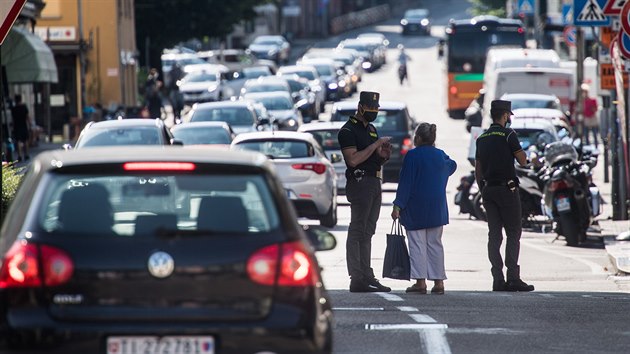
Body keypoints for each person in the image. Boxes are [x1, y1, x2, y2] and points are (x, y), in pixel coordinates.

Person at [475, 100, 534, 292]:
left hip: (488, 190)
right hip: (507, 190)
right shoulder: (509, 135)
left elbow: (478, 170)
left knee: (494, 235)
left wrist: (482, 189)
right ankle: (513, 278)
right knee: (513, 232)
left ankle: (497, 279)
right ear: (506, 115)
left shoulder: (482, 138)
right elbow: (523, 161)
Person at [391, 122, 457, 295]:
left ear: (418, 138)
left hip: (415, 207)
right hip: (437, 207)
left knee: (417, 244)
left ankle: (420, 282)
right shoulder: (440, 156)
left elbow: (406, 183)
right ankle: (439, 282)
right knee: (435, 244)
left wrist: (398, 205)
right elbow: (453, 165)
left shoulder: (412, 156)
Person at [338, 91, 392, 293]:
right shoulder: (348, 130)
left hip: (374, 182)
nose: (374, 113)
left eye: (376, 109)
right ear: (360, 107)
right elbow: (352, 160)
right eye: (370, 109)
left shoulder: (371, 129)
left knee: (368, 231)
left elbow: (371, 158)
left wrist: (383, 156)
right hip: (359, 183)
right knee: (357, 230)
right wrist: (375, 145)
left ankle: (367, 275)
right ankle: (356, 277)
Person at [10, 95, 31, 161]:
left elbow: (13, 119)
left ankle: (20, 155)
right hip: (24, 125)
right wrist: (30, 124)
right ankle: (26, 154)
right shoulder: (24, 107)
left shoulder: (14, 108)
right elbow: (27, 117)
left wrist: (13, 127)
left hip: (17, 126)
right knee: (25, 140)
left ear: (15, 100)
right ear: (21, 99)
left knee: (18, 141)